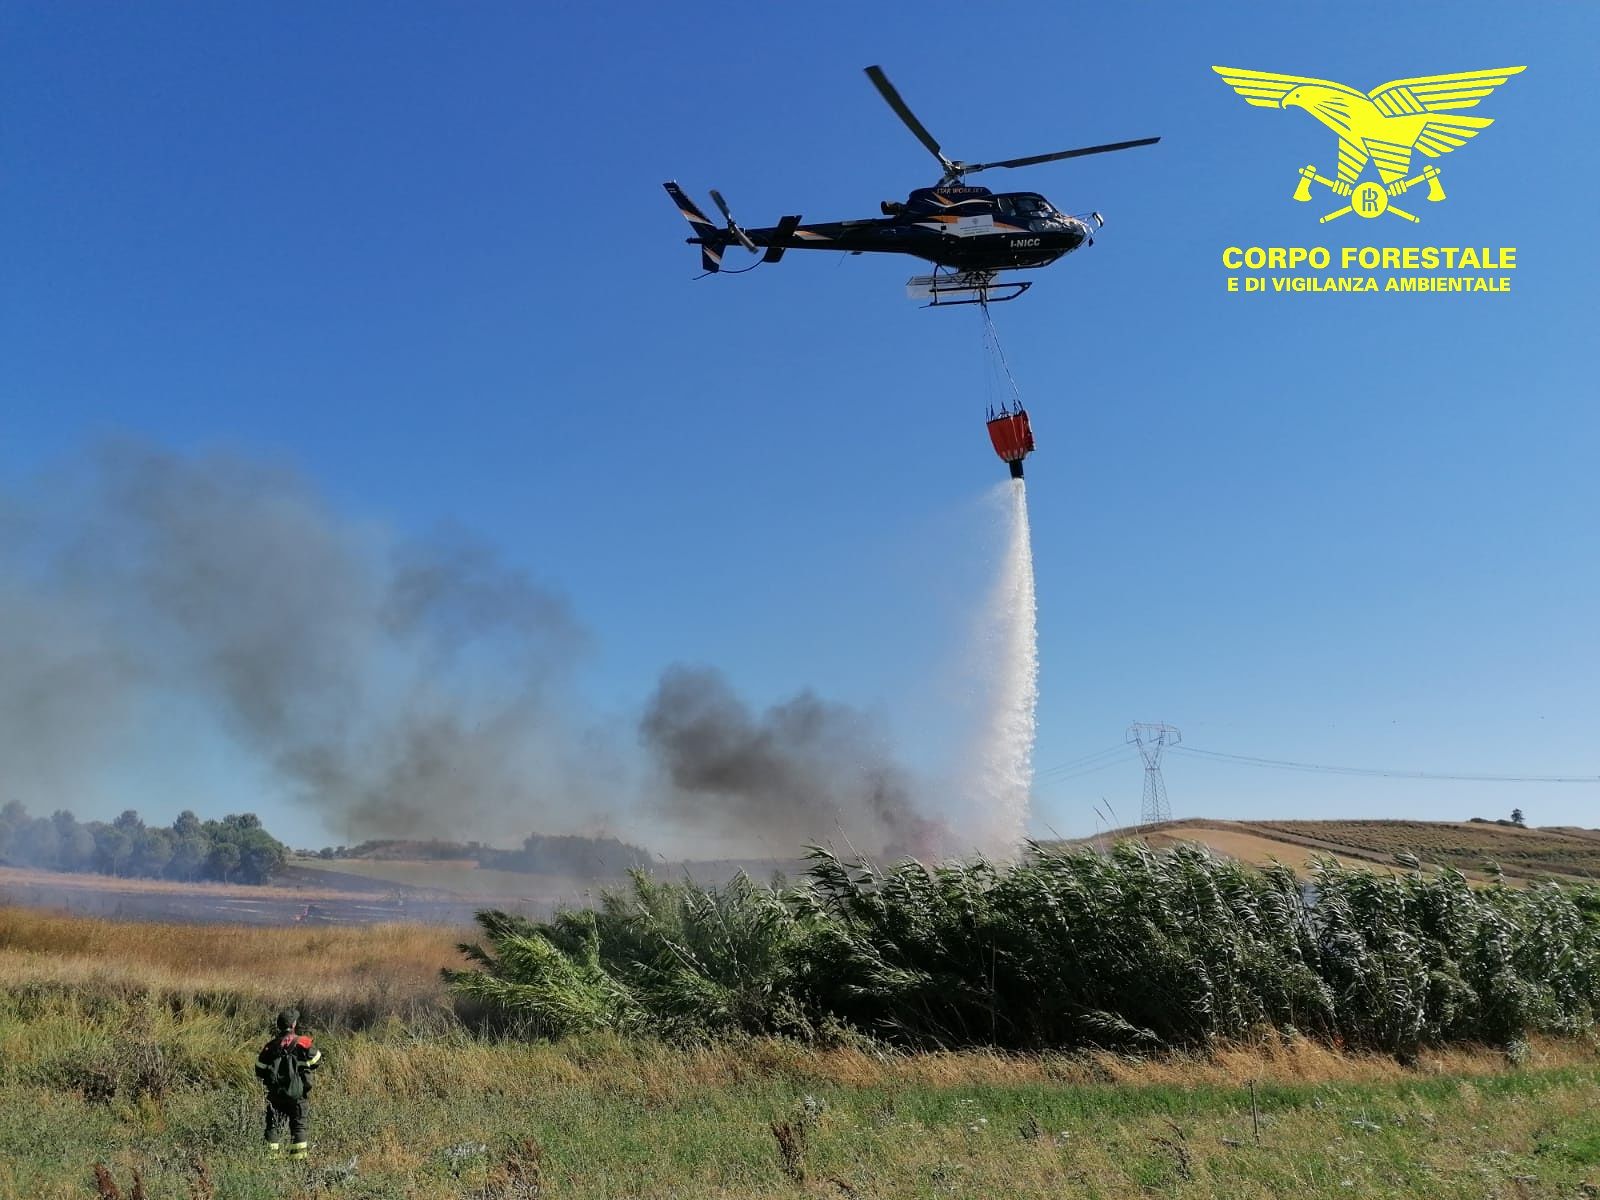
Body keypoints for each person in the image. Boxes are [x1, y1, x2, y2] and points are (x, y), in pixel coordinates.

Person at [254, 1008, 322, 1159]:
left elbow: (259, 1069)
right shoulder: (303, 1042)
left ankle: (271, 1161)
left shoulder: (270, 1046)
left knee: (273, 1127)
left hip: (276, 1096)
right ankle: (297, 1163)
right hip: (298, 1096)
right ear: (293, 1025)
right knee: (298, 1127)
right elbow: (317, 1059)